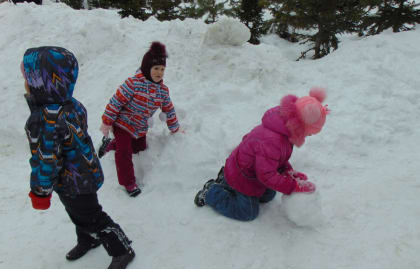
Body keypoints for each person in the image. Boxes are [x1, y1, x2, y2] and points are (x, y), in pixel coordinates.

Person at [22, 46, 135, 269]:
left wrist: (40, 192)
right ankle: (87, 239)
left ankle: (122, 249)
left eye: (28, 78)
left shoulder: (45, 120)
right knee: (77, 212)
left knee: (92, 216)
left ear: (41, 83)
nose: (25, 83)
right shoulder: (70, 103)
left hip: (75, 181)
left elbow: (46, 160)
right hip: (82, 173)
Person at [194, 88, 330, 221]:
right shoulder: (272, 141)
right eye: (310, 132)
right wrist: (293, 186)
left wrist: (287, 171)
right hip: (243, 175)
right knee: (248, 213)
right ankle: (211, 193)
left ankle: (226, 181)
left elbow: (276, 159)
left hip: (252, 171)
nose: (310, 135)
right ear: (300, 125)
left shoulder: (285, 131)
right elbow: (266, 176)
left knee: (269, 195)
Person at [99, 41, 180, 197]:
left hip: (140, 127)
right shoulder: (133, 83)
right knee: (124, 151)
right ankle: (128, 182)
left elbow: (169, 109)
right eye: (156, 68)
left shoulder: (162, 91)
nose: (159, 72)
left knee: (139, 148)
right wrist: (107, 122)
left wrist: (175, 128)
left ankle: (111, 144)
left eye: (162, 69)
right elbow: (116, 101)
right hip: (122, 123)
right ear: (147, 67)